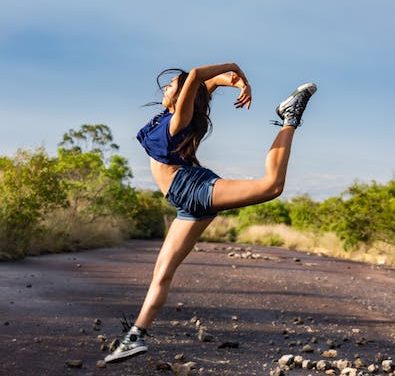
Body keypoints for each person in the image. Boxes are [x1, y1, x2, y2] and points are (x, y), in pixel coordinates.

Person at [104, 63, 317, 363]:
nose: (165, 89)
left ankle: (290, 117)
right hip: (184, 203)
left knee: (272, 186)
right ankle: (135, 337)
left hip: (193, 188)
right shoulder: (175, 114)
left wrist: (234, 67)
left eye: (171, 86)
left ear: (183, 96)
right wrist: (237, 83)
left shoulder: (180, 119)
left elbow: (195, 76)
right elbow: (209, 83)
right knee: (162, 273)